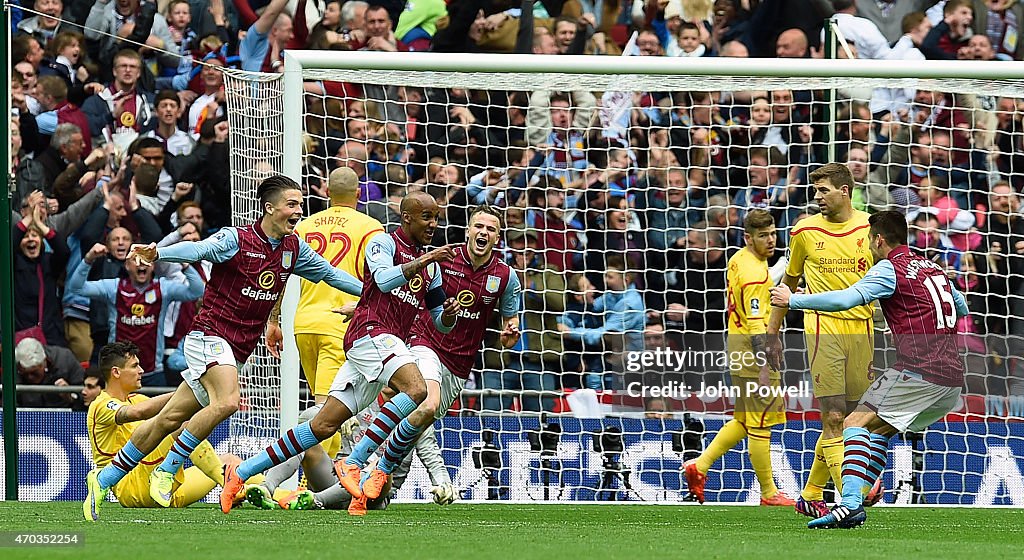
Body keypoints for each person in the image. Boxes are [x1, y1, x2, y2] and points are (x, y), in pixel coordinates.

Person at [83, 175, 364, 521]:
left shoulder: (294, 250)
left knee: (169, 417)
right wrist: (159, 252)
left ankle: (104, 478)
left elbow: (331, 275)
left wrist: (376, 294)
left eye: (301, 204)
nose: (298, 211)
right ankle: (167, 469)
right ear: (269, 207)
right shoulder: (237, 239)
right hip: (209, 335)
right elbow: (198, 249)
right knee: (229, 401)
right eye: (292, 204)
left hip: (236, 349)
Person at [220, 191, 460, 516]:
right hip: (370, 333)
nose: (434, 224)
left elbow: (440, 323)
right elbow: (384, 280)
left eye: (436, 217)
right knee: (417, 389)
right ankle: (356, 462)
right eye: (427, 217)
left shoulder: (432, 271)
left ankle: (244, 472)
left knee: (321, 426)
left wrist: (450, 313)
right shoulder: (383, 243)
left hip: (382, 345)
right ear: (407, 217)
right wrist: (426, 260)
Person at [770, 211, 968, 528]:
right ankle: (859, 495)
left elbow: (846, 300)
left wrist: (794, 300)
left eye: (869, 238)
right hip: (952, 380)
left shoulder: (890, 269)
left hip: (919, 372)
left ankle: (849, 504)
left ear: (878, 239)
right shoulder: (933, 268)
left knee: (853, 422)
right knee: (878, 430)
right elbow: (961, 308)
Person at [363, 205, 520, 514]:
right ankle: (367, 463)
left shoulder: (505, 277)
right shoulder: (442, 259)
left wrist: (508, 336)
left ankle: (378, 488)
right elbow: (404, 294)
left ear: (497, 237)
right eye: (479, 226)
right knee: (426, 404)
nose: (483, 232)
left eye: (490, 229)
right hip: (425, 343)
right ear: (468, 230)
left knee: (417, 423)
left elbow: (509, 324)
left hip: (460, 364)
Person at [246, 166, 384, 508]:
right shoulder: (371, 227)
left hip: (304, 322)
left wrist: (274, 318)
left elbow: (280, 270)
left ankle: (306, 475)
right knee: (330, 411)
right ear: (357, 195)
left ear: (326, 193)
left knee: (326, 409)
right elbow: (374, 277)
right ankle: (309, 482)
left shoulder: (304, 224)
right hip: (342, 323)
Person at [765, 162, 874, 519]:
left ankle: (811, 493)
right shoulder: (804, 231)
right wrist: (772, 334)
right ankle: (850, 498)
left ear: (845, 191)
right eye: (815, 190)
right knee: (833, 414)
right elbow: (788, 284)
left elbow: (889, 278)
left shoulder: (870, 227)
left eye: (824, 190)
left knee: (854, 420)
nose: (817, 196)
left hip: (863, 330)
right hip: (821, 329)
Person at [684, 209, 795, 507]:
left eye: (773, 234)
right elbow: (757, 323)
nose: (771, 241)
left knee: (744, 420)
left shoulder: (738, 260)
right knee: (760, 425)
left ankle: (699, 466)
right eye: (763, 236)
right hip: (753, 354)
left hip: (736, 349)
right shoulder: (754, 274)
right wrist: (763, 365)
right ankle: (769, 493)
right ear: (748, 237)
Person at [86, 342, 233, 509]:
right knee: (182, 426)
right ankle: (226, 483)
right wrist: (193, 391)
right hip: (132, 486)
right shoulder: (101, 405)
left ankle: (251, 488)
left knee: (229, 461)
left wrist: (192, 394)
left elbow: (167, 410)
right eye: (135, 366)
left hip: (161, 488)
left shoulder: (137, 399)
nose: (141, 371)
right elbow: (137, 413)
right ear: (116, 372)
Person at [66, 242, 205, 386]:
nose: (141, 264)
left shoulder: (163, 288)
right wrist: (89, 258)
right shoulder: (114, 287)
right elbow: (77, 288)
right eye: (135, 260)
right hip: (120, 372)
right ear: (127, 266)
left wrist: (183, 263)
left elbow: (197, 291)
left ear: (153, 266)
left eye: (146, 259)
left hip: (153, 372)